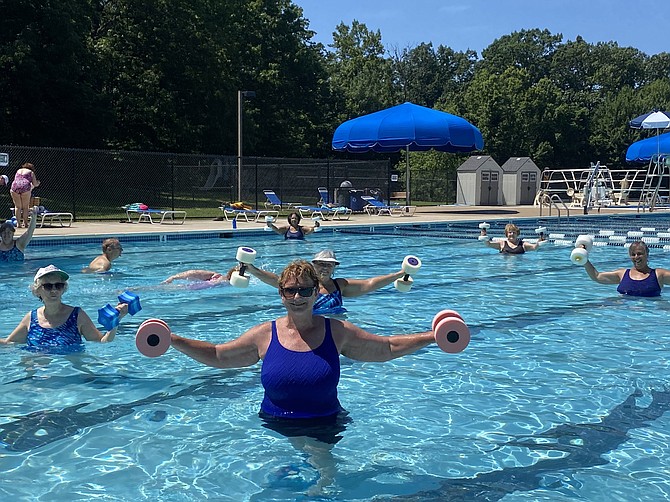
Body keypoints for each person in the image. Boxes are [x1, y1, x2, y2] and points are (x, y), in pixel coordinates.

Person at [169, 260, 435, 486]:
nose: (297, 297)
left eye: (305, 290)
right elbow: (218, 354)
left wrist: (434, 336)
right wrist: (170, 338)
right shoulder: (264, 334)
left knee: (325, 476)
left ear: (316, 294)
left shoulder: (337, 331)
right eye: (290, 291)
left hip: (323, 423)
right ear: (281, 294)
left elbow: (386, 347)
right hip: (273, 423)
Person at [0, 265, 129, 352]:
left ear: (63, 289)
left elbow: (102, 342)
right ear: (37, 290)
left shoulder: (77, 315)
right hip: (39, 378)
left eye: (59, 285)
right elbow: (8, 344)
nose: (54, 290)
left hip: (70, 376)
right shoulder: (31, 318)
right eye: (48, 286)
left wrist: (115, 322)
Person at [246, 249, 409, 314]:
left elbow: (369, 284)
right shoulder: (304, 285)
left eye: (329, 265)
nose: (325, 268)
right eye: (321, 264)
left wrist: (399, 274)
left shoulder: (340, 285)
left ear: (334, 268)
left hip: (336, 331)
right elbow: (276, 280)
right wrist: (252, 269)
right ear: (313, 265)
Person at [580, 240, 670, 297]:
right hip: (623, 317)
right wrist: (583, 257)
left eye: (639, 254)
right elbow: (597, 277)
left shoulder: (658, 275)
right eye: (633, 254)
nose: (636, 257)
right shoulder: (622, 274)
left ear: (647, 254)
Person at [481, 223, 546, 254]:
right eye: (510, 232)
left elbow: (535, 247)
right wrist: (484, 235)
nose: (512, 234)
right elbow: (488, 244)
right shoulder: (502, 244)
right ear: (506, 234)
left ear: (517, 234)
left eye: (514, 232)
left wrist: (540, 240)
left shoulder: (523, 244)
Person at [10, 163, 40, 228]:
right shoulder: (31, 172)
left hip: (15, 186)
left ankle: (18, 224)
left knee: (18, 207)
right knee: (25, 207)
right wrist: (37, 183)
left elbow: (16, 179)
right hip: (25, 187)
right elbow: (34, 184)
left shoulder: (18, 170)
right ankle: (25, 223)